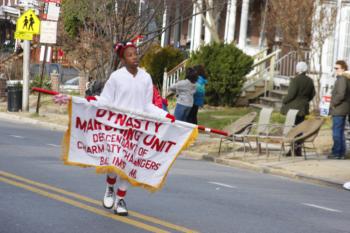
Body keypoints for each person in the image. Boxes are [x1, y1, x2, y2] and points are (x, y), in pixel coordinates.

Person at [54, 41, 175, 216]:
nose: (135, 57)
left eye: (136, 53)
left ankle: (120, 199)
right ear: (123, 59)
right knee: (116, 161)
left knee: (129, 165)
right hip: (117, 127)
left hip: (137, 129)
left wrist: (165, 115)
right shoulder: (116, 77)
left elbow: (148, 105)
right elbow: (105, 101)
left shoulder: (145, 78)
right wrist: (82, 101)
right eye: (130, 55)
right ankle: (110, 187)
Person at [280, 61, 315, 156]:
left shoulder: (295, 80)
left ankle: (292, 150)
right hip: (303, 108)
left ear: (298, 69)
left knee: (293, 129)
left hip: (294, 109)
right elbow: (312, 94)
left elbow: (291, 95)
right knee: (300, 130)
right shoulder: (310, 81)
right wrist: (305, 101)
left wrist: (284, 100)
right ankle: (298, 150)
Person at [329, 60, 350, 159]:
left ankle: (337, 153)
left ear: (343, 69)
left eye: (337, 68)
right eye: (335, 68)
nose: (335, 70)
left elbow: (341, 94)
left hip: (339, 108)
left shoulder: (342, 79)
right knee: (340, 132)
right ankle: (341, 153)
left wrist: (333, 103)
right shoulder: (346, 79)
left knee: (336, 132)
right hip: (343, 108)